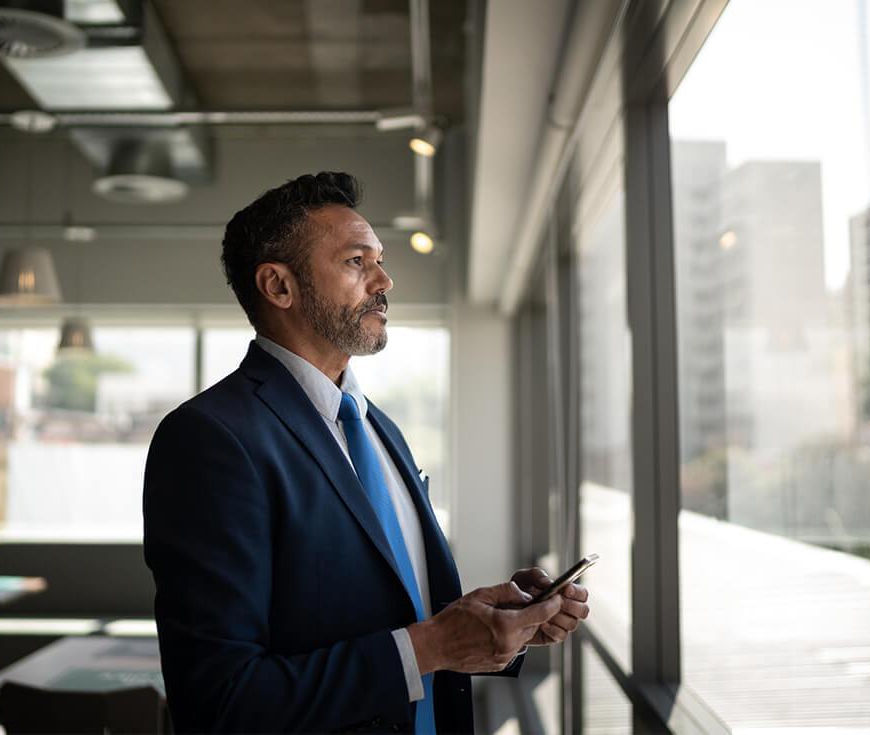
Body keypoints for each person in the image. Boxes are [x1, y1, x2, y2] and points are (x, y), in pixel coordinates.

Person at [143, 172, 590, 733]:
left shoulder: (381, 429)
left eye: (379, 260)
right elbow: (221, 700)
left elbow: (396, 617)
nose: (385, 280)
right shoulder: (210, 439)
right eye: (357, 261)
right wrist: (429, 647)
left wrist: (495, 626)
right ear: (279, 286)